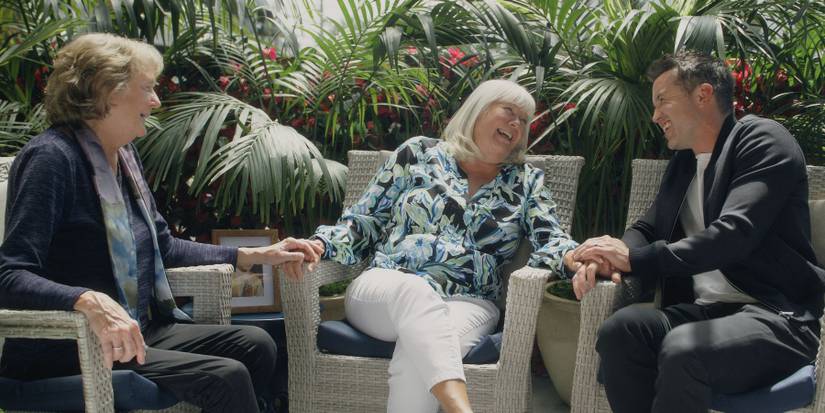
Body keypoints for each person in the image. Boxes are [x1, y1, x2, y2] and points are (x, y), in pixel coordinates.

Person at [0, 33, 321, 413]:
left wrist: (255, 254)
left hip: (137, 329)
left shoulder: (124, 157)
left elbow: (164, 246)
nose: (155, 100)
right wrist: (87, 300)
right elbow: (11, 275)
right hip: (67, 347)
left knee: (257, 343)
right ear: (107, 92)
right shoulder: (52, 159)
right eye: (147, 89)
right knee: (224, 376)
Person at [292, 79, 582, 413]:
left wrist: (576, 256)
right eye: (509, 111)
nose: (517, 123)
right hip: (386, 288)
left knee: (419, 355)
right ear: (478, 108)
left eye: (525, 120)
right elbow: (364, 221)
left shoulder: (526, 181)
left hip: (469, 303)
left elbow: (551, 238)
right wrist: (319, 244)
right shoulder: (417, 153)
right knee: (415, 294)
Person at [571, 51, 825, 412]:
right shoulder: (684, 163)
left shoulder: (762, 140)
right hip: (706, 312)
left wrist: (633, 259)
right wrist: (610, 257)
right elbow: (646, 228)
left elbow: (734, 234)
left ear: (703, 95)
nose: (655, 115)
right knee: (622, 331)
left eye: (662, 101)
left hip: (775, 317)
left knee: (684, 347)